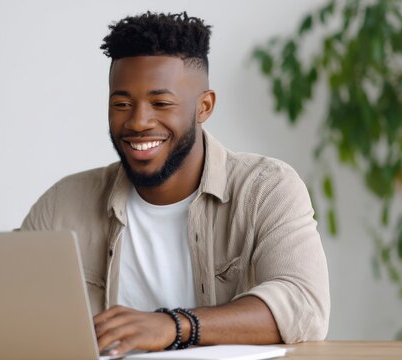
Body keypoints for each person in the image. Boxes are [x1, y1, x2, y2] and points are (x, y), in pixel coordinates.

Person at [21, 11, 329, 356]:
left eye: (161, 103)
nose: (138, 122)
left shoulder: (266, 189)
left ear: (204, 107)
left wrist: (175, 326)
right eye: (122, 104)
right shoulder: (63, 203)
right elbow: (4, 306)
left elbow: (304, 305)